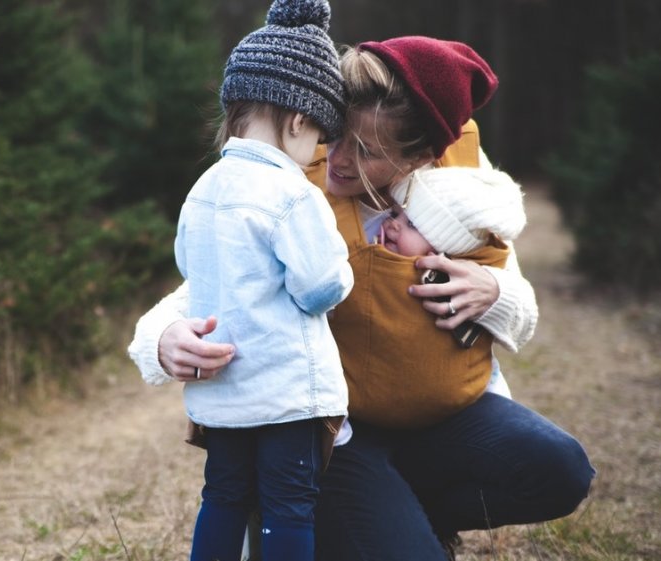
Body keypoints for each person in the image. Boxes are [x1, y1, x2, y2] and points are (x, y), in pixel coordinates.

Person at [128, 35, 595, 560]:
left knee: (562, 470)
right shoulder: (294, 185)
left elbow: (522, 306)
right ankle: (364, 520)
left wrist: (495, 293)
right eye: (338, 137)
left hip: (443, 419)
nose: (340, 160)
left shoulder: (461, 188)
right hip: (337, 434)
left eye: (368, 152)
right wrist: (162, 339)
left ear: (419, 156)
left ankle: (403, 515)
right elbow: (208, 282)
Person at [175, 1, 353, 559]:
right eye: (318, 137)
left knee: (224, 495)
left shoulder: (203, 188)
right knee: (289, 504)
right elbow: (320, 286)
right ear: (298, 120)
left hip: (222, 392)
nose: (315, 153)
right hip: (286, 393)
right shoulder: (292, 192)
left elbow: (189, 267)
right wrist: (343, 268)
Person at [338, 165, 527, 429]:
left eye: (412, 225)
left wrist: (497, 291)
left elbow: (522, 318)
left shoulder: (462, 273)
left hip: (462, 403)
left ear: (444, 252)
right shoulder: (360, 247)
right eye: (394, 214)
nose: (391, 225)